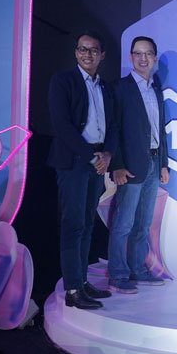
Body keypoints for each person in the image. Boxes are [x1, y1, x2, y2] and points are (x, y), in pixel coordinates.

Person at [47, 31, 117, 309]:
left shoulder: (105, 87)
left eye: (93, 50)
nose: (88, 54)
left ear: (102, 55)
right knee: (73, 224)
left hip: (97, 160)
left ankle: (82, 281)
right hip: (75, 161)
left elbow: (113, 125)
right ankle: (73, 289)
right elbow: (61, 125)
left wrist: (107, 154)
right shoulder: (63, 81)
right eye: (83, 49)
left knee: (88, 224)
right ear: (76, 52)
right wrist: (91, 157)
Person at [107, 36, 169, 294]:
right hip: (130, 166)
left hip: (153, 162)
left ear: (154, 58)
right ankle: (118, 274)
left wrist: (163, 164)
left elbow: (159, 130)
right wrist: (117, 165)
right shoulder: (120, 88)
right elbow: (114, 130)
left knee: (143, 223)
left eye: (148, 54)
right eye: (138, 53)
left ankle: (138, 270)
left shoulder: (156, 89)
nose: (143, 58)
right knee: (124, 223)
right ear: (131, 57)